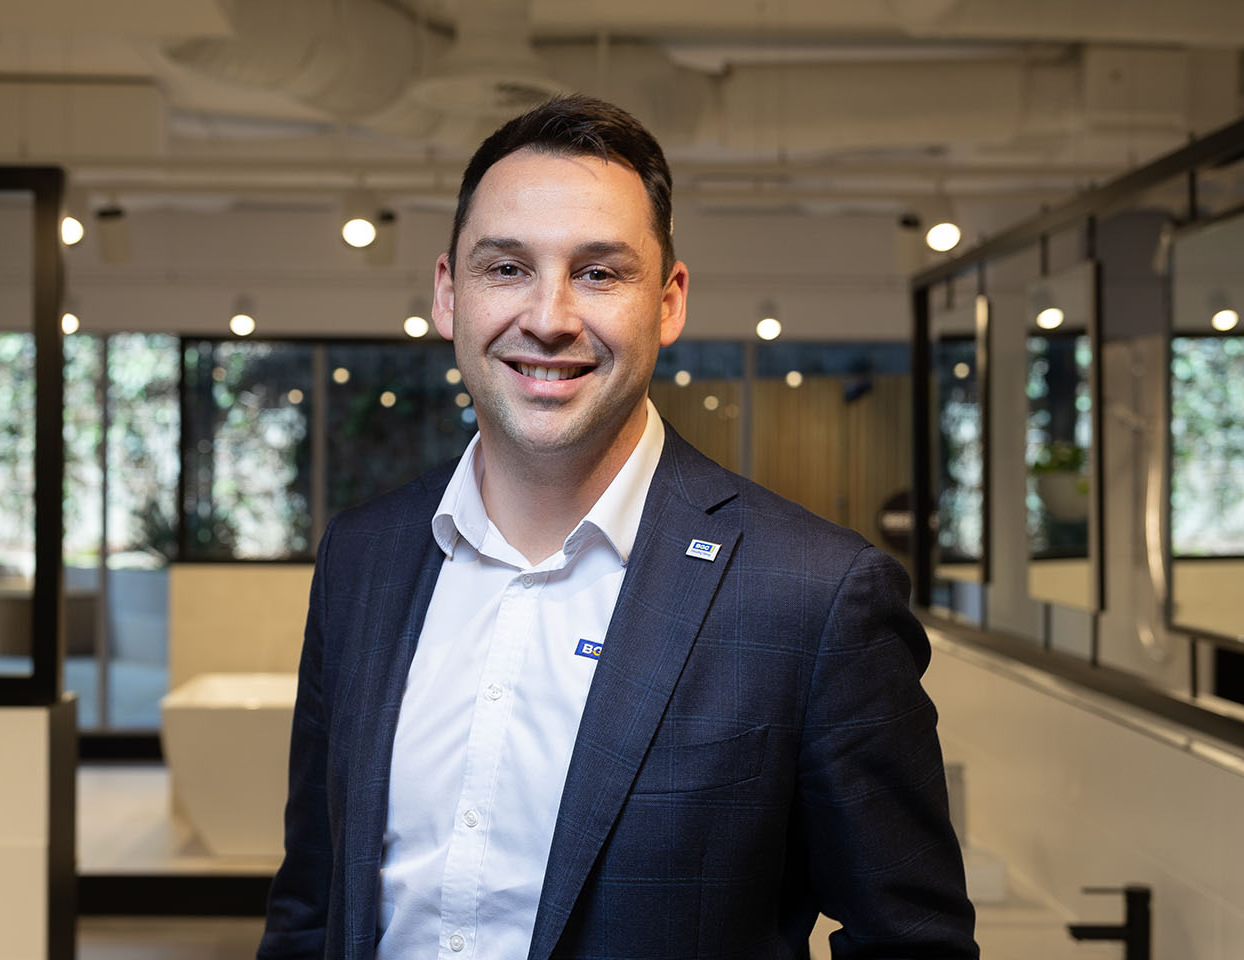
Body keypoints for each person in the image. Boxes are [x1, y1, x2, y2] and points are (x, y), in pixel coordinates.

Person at [258, 95, 978, 960]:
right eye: (506, 268)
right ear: (449, 294)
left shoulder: (816, 596)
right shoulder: (362, 559)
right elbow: (311, 904)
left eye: (599, 273)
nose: (549, 317)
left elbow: (912, 943)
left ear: (668, 303)